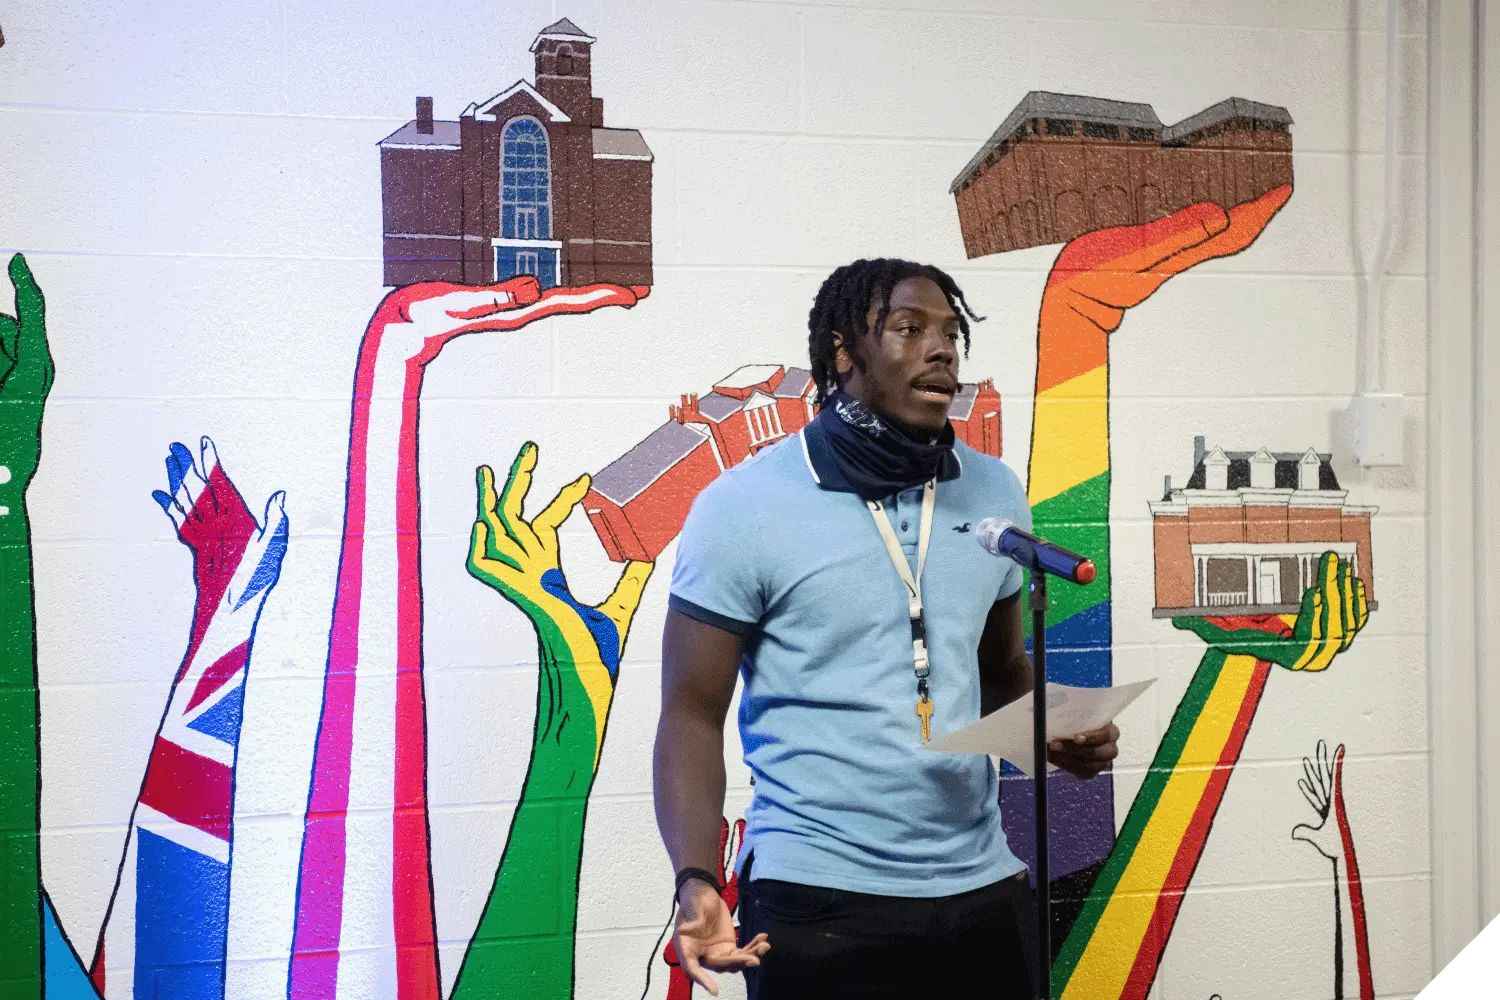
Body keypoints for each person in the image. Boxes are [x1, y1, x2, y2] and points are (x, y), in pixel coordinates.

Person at [653, 258, 1120, 999]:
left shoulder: (994, 491)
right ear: (845, 354)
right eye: (909, 330)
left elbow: (1001, 670)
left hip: (982, 889)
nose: (942, 350)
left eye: (950, 334)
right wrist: (696, 877)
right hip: (816, 899)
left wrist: (1053, 725)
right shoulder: (743, 507)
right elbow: (690, 711)